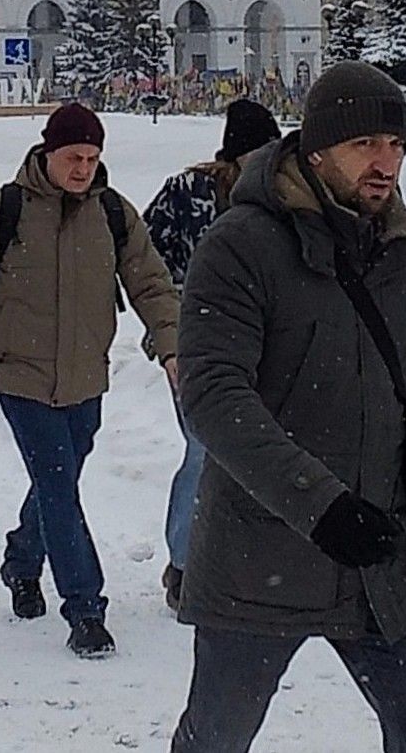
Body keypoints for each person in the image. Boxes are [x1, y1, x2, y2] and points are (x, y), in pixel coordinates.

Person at [170, 61, 406, 753]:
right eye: (365, 144)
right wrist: (320, 504)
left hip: (384, 551)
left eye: (396, 145)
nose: (385, 162)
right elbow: (213, 395)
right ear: (317, 151)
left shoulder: (403, 244)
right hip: (262, 550)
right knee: (215, 739)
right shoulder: (241, 244)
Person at [0, 101, 180, 660]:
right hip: (21, 374)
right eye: (73, 157)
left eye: (92, 158)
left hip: (87, 375)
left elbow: (152, 285)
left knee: (55, 484)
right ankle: (85, 609)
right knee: (58, 483)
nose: (83, 168)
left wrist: (172, 348)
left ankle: (22, 560)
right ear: (48, 153)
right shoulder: (5, 210)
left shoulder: (113, 213)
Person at [141, 98, 282, 610]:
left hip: (262, 345)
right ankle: (184, 565)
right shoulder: (187, 193)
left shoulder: (281, 196)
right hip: (194, 345)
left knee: (253, 452)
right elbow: (141, 260)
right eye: (259, 151)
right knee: (205, 450)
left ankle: (246, 562)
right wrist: (169, 324)